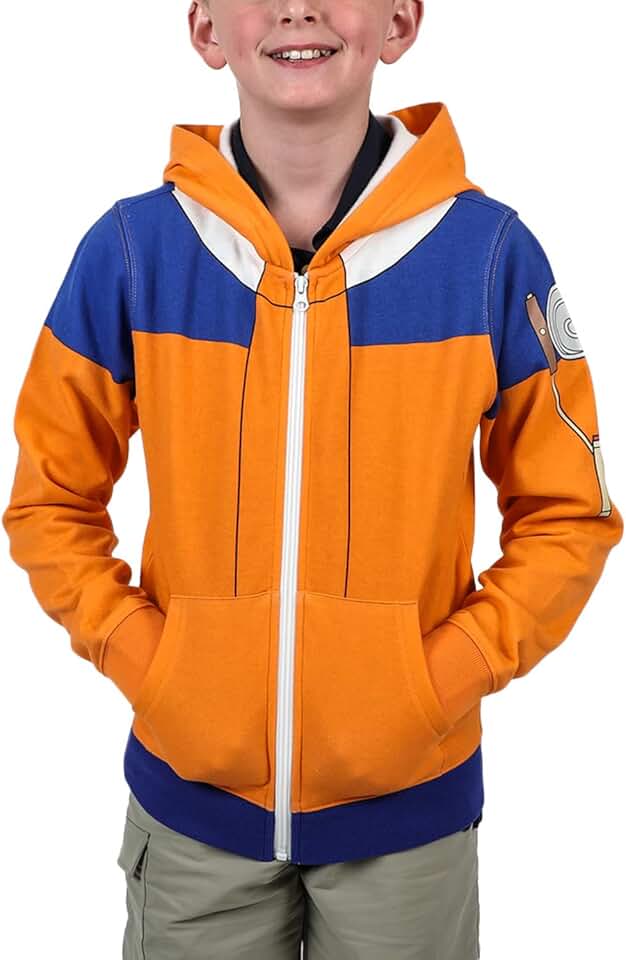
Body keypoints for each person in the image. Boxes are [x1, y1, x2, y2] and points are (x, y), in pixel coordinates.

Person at [3, 1, 623, 957]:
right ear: (206, 29)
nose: (298, 7)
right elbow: (50, 498)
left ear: (400, 22)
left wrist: (437, 682)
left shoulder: (488, 256)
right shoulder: (133, 251)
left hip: (410, 825)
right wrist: (151, 664)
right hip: (192, 821)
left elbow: (569, 516)